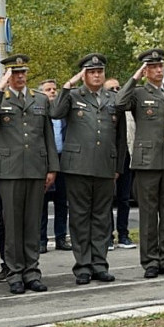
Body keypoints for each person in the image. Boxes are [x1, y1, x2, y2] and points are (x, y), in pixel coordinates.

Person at [0, 54, 58, 294]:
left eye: (23, 72)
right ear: (7, 75)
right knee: (12, 225)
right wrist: (0, 89)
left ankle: (32, 271)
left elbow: (48, 134)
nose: (20, 77)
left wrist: (52, 167)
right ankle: (14, 273)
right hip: (9, 170)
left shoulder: (39, 99)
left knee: (32, 223)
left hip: (35, 167)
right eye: (15, 73)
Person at [118, 48, 164, 278]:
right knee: (148, 213)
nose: (158, 70)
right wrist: (135, 77)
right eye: (153, 67)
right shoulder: (138, 93)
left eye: (160, 66)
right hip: (147, 162)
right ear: (146, 70)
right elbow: (119, 102)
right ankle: (150, 260)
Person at [53, 54, 125, 284]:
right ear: (83, 75)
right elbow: (55, 112)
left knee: (102, 218)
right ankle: (83, 266)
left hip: (105, 165)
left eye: (99, 71)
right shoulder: (73, 95)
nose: (96, 75)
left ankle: (99, 264)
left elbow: (120, 135)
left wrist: (118, 166)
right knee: (80, 218)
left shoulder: (113, 98)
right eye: (91, 72)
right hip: (78, 166)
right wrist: (67, 86)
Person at [37, 79, 70, 253]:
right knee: (41, 204)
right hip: (44, 162)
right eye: (48, 89)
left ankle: (61, 237)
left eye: (54, 89)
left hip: (63, 160)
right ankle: (41, 239)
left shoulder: (63, 113)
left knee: (62, 202)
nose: (52, 92)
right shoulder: (39, 113)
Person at [104, 77, 135, 251]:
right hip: (110, 158)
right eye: (111, 89)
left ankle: (123, 234)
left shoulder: (127, 108)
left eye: (118, 88)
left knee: (124, 199)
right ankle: (108, 236)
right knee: (107, 199)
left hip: (127, 157)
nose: (116, 92)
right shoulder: (107, 110)